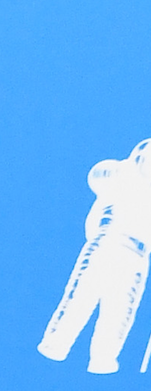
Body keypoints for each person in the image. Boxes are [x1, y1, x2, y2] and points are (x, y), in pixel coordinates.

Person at [38, 138, 151, 374]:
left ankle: (102, 359)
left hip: (137, 253)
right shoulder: (126, 174)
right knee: (83, 295)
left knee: (120, 309)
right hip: (110, 241)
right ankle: (57, 345)